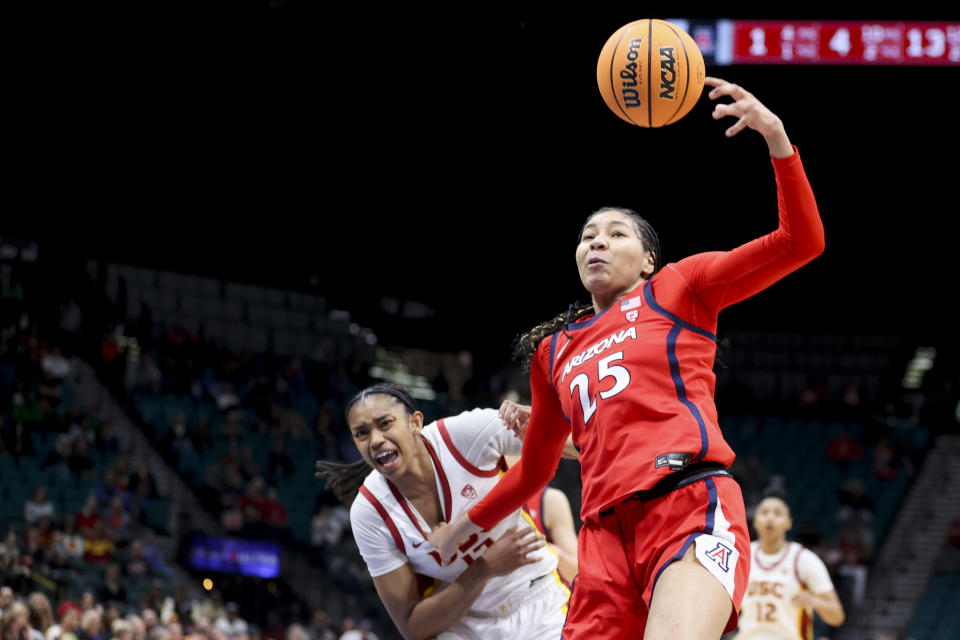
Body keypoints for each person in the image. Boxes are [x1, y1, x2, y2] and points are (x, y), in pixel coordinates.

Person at [428, 76, 826, 640]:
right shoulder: (553, 352)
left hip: (687, 505)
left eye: (615, 234)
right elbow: (532, 475)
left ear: (647, 259)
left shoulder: (678, 288)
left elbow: (801, 242)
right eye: (587, 236)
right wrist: (455, 533)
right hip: (602, 540)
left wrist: (777, 138)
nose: (596, 242)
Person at [315, 382, 570, 640]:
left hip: (538, 599)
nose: (376, 440)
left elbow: (574, 444)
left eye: (385, 424)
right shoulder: (369, 512)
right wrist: (484, 567)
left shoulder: (464, 434)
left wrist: (540, 423)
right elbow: (412, 626)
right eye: (362, 434)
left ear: (415, 422)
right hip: (463, 626)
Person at [735, 493, 844, 639]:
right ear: (755, 522)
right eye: (764, 512)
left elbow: (837, 616)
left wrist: (814, 601)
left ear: (789, 522)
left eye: (778, 513)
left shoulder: (804, 558)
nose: (770, 518)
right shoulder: (742, 556)